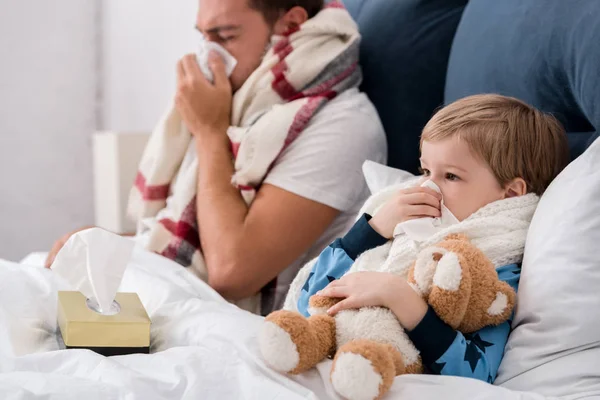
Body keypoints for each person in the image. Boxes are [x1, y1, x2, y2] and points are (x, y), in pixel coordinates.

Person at [45, 0, 387, 315]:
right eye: (203, 36)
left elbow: (232, 272)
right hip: (175, 288)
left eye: (224, 36)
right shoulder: (246, 103)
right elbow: (189, 239)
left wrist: (210, 132)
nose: (208, 54)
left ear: (291, 22)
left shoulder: (344, 124)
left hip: (241, 321)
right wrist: (111, 246)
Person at [291, 94, 569, 382]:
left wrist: (402, 299)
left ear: (510, 194)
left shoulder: (497, 267)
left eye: (450, 176)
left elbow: (476, 373)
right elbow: (308, 303)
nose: (427, 187)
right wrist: (373, 230)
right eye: (425, 171)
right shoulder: (404, 231)